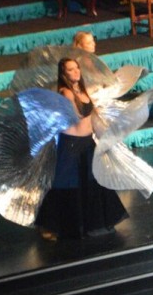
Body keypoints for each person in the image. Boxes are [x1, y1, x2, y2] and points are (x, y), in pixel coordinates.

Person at [34, 58, 128, 240]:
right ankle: (51, 225)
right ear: (63, 74)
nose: (76, 71)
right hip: (71, 144)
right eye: (71, 69)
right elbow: (75, 116)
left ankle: (93, 222)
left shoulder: (83, 91)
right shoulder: (65, 93)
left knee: (94, 180)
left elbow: (90, 117)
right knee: (66, 183)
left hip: (86, 142)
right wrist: (97, 104)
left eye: (77, 67)